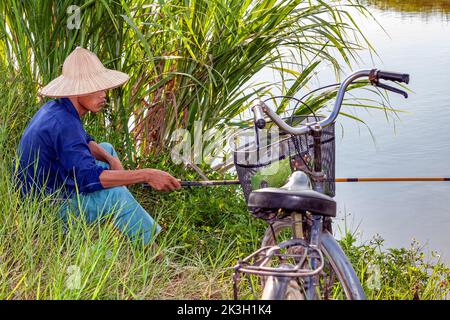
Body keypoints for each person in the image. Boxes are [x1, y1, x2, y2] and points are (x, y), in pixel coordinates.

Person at [15, 47, 181, 248]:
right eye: (98, 88)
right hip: (47, 207)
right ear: (78, 90)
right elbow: (88, 178)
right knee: (116, 195)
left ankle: (123, 222)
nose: (105, 94)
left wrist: (111, 160)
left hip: (55, 183)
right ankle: (155, 257)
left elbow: (85, 141)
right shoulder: (65, 124)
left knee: (106, 148)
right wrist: (146, 175)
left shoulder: (57, 109)